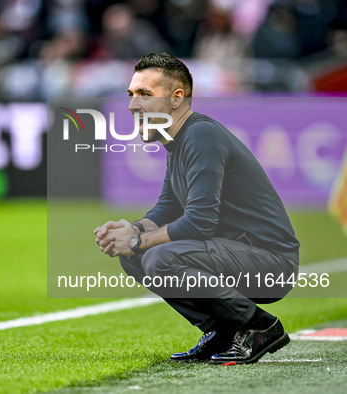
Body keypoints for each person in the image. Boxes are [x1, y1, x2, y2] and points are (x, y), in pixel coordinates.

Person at [94, 52, 300, 365]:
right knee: (135, 257)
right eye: (131, 95)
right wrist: (131, 231)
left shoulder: (201, 135)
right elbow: (167, 207)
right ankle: (222, 330)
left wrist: (136, 240)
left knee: (161, 257)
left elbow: (199, 223)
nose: (132, 105)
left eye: (145, 95)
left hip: (271, 264)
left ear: (176, 99)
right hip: (238, 254)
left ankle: (259, 326)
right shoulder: (178, 141)